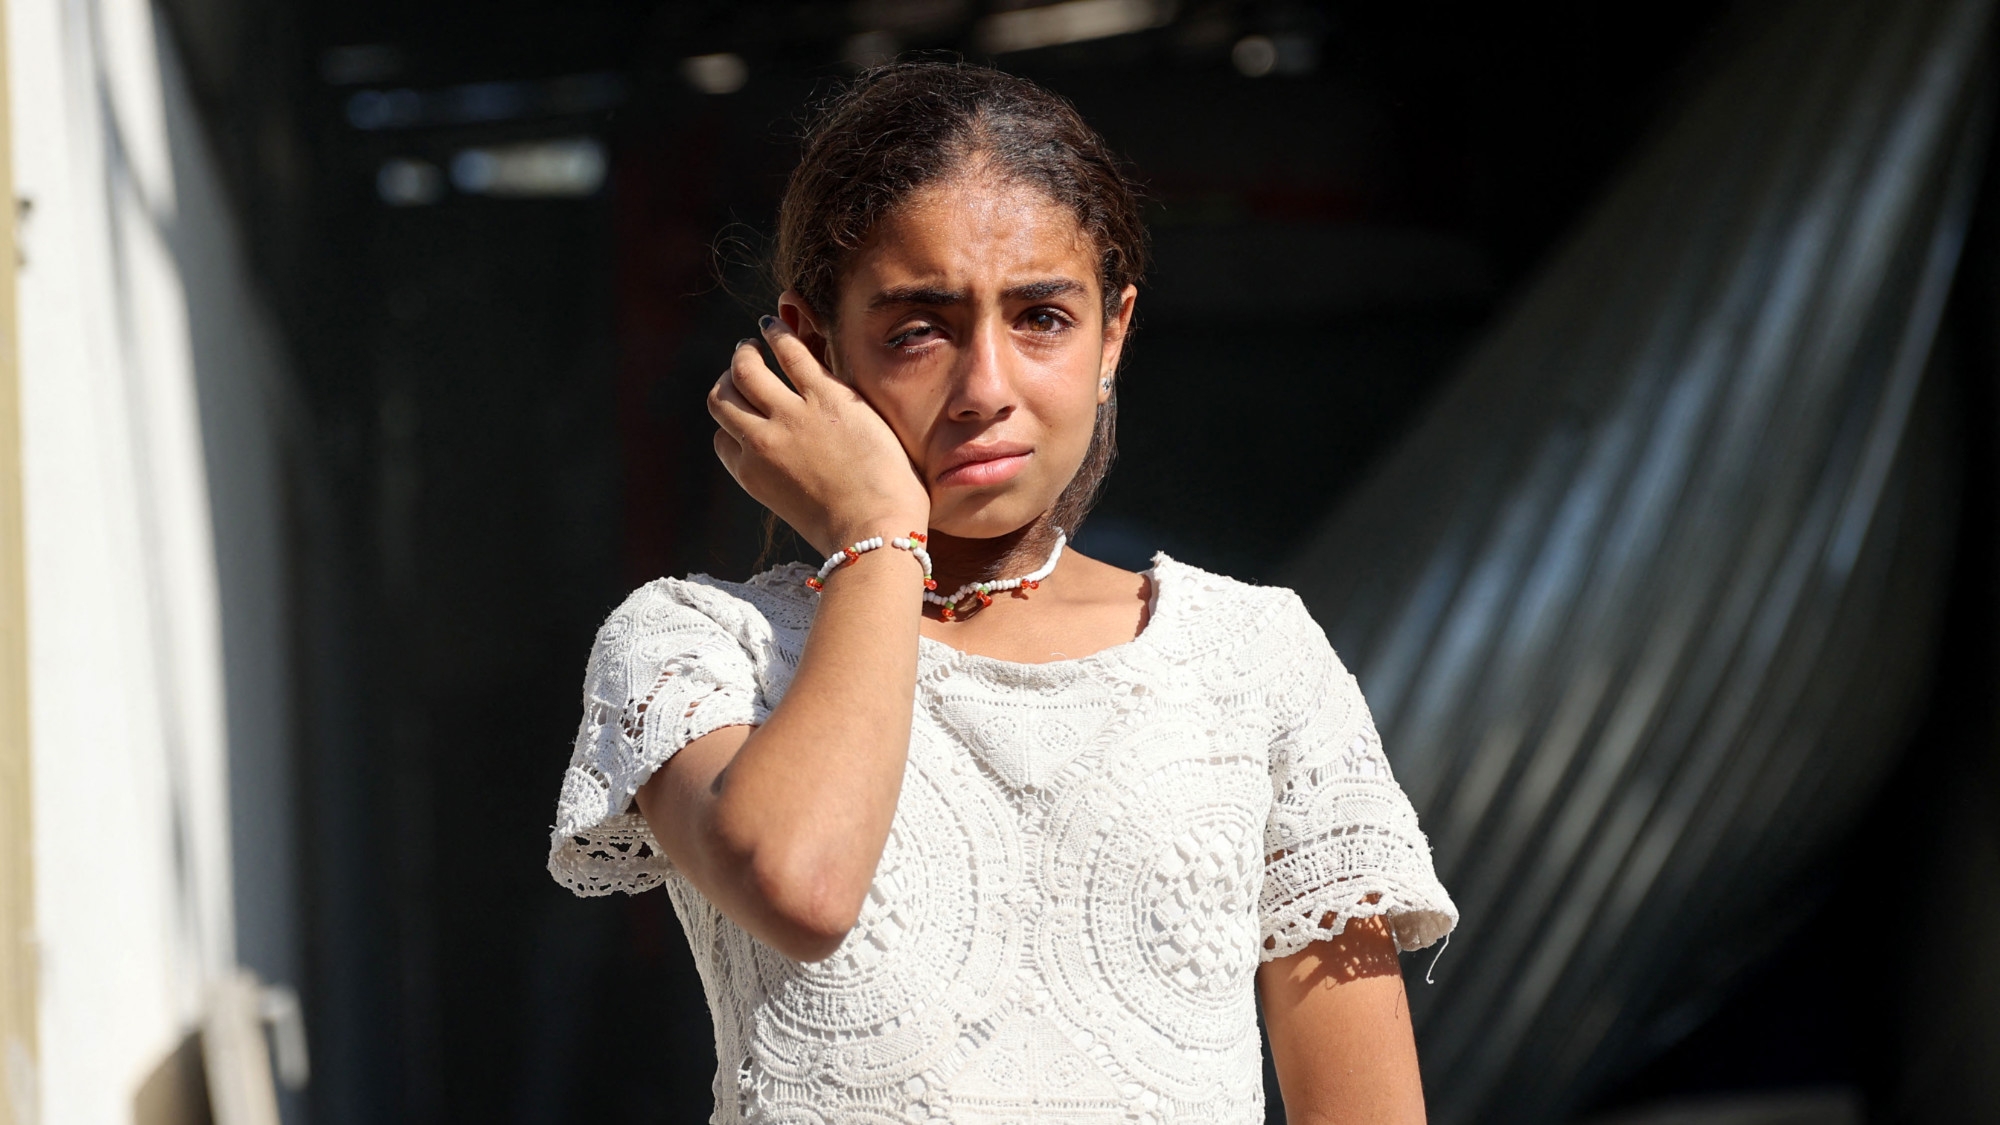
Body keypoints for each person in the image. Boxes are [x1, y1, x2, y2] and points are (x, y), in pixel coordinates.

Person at [548, 60, 1457, 1124]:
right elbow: (802, 886)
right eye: (917, 327)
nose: (985, 387)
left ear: (1112, 333)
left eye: (1041, 318)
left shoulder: (1250, 661)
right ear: (813, 343)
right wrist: (879, 535)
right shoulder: (697, 650)